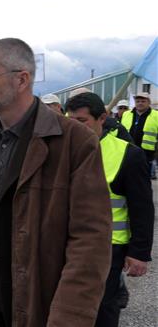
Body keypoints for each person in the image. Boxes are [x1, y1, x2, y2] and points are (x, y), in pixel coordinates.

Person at [0, 38, 112, 326]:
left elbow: (90, 241)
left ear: (22, 79)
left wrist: (70, 316)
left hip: (31, 288)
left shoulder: (74, 142)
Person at [66, 92, 154, 327]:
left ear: (102, 118)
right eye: (70, 121)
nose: (75, 127)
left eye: (82, 121)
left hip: (109, 247)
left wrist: (139, 253)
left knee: (102, 306)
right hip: (67, 243)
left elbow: (142, 208)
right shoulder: (62, 151)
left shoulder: (128, 154)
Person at [120, 92, 158, 179]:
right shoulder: (126, 114)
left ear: (148, 102)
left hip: (146, 154)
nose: (140, 103)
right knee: (128, 178)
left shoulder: (156, 115)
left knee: (143, 179)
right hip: (127, 151)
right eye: (138, 101)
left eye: (143, 101)